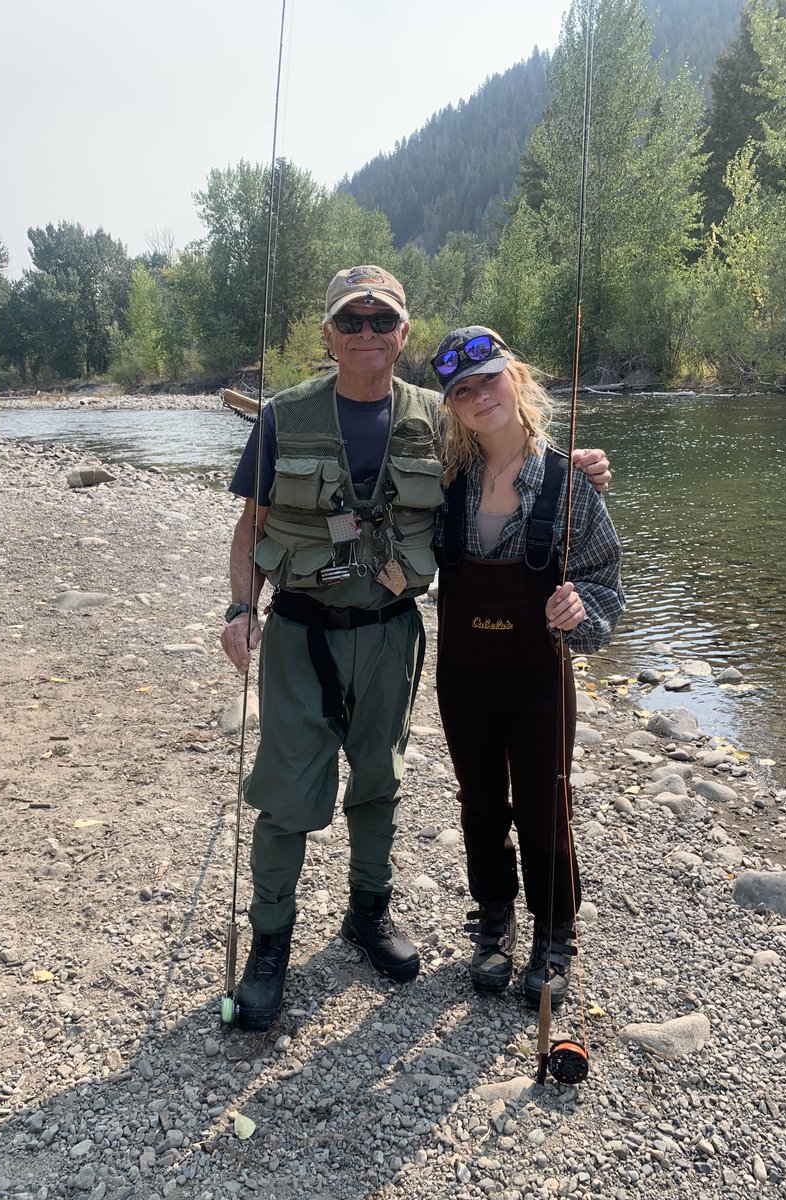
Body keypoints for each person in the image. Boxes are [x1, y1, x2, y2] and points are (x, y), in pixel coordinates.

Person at [221, 267, 612, 1032]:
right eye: (351, 320)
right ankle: (269, 946)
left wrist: (576, 466)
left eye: (382, 320)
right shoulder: (282, 417)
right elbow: (251, 527)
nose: (366, 333)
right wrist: (241, 607)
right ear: (328, 334)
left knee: (380, 783)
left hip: (392, 634)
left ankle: (368, 913)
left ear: (403, 333)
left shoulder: (439, 419)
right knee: (287, 794)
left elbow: (510, 456)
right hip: (299, 634)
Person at [431, 326, 624, 1009]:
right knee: (479, 801)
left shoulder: (572, 484)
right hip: (462, 679)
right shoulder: (442, 483)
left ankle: (556, 931)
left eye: (488, 379)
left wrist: (580, 609)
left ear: (515, 379)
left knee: (547, 803)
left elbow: (605, 584)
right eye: (462, 390)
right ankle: (494, 917)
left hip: (541, 679)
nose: (479, 396)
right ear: (451, 408)